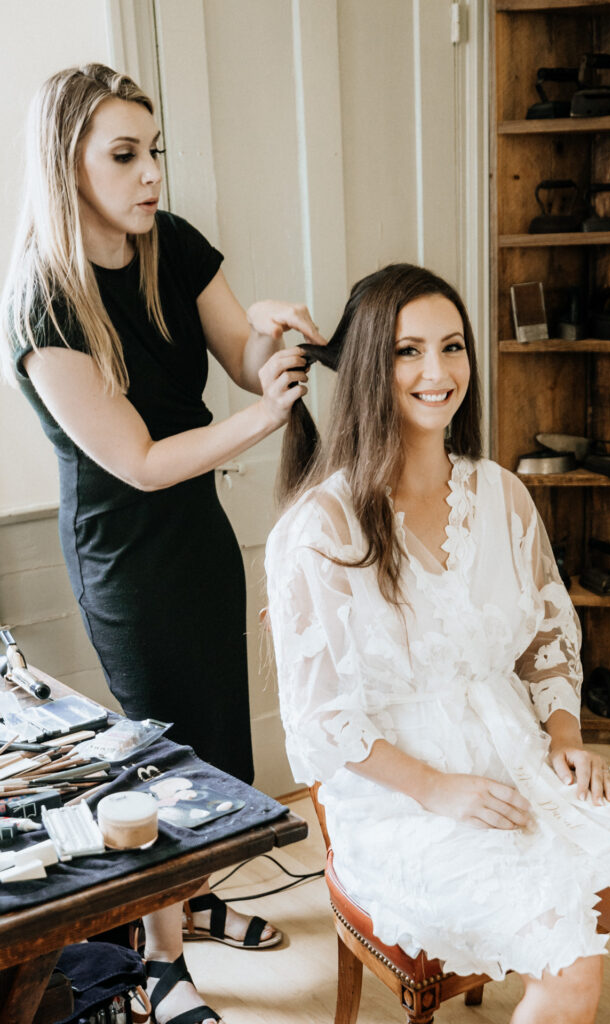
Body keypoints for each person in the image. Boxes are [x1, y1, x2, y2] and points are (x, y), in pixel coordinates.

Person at [265, 264, 610, 1024]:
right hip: (400, 801)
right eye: (407, 351)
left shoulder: (501, 495)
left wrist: (563, 734)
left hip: (517, 761)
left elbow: (547, 638)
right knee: (572, 967)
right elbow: (320, 723)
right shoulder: (317, 530)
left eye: (451, 346)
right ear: (367, 365)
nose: (437, 371)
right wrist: (436, 788)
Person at [0, 64, 325, 1024]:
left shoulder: (169, 244)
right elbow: (139, 461)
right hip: (124, 550)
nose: (151, 176)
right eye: (125, 155)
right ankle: (160, 961)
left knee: (217, 741)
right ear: (68, 166)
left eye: (155, 153)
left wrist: (276, 338)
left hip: (197, 533)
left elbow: (241, 358)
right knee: (161, 757)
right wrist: (265, 418)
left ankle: (201, 900)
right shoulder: (42, 305)